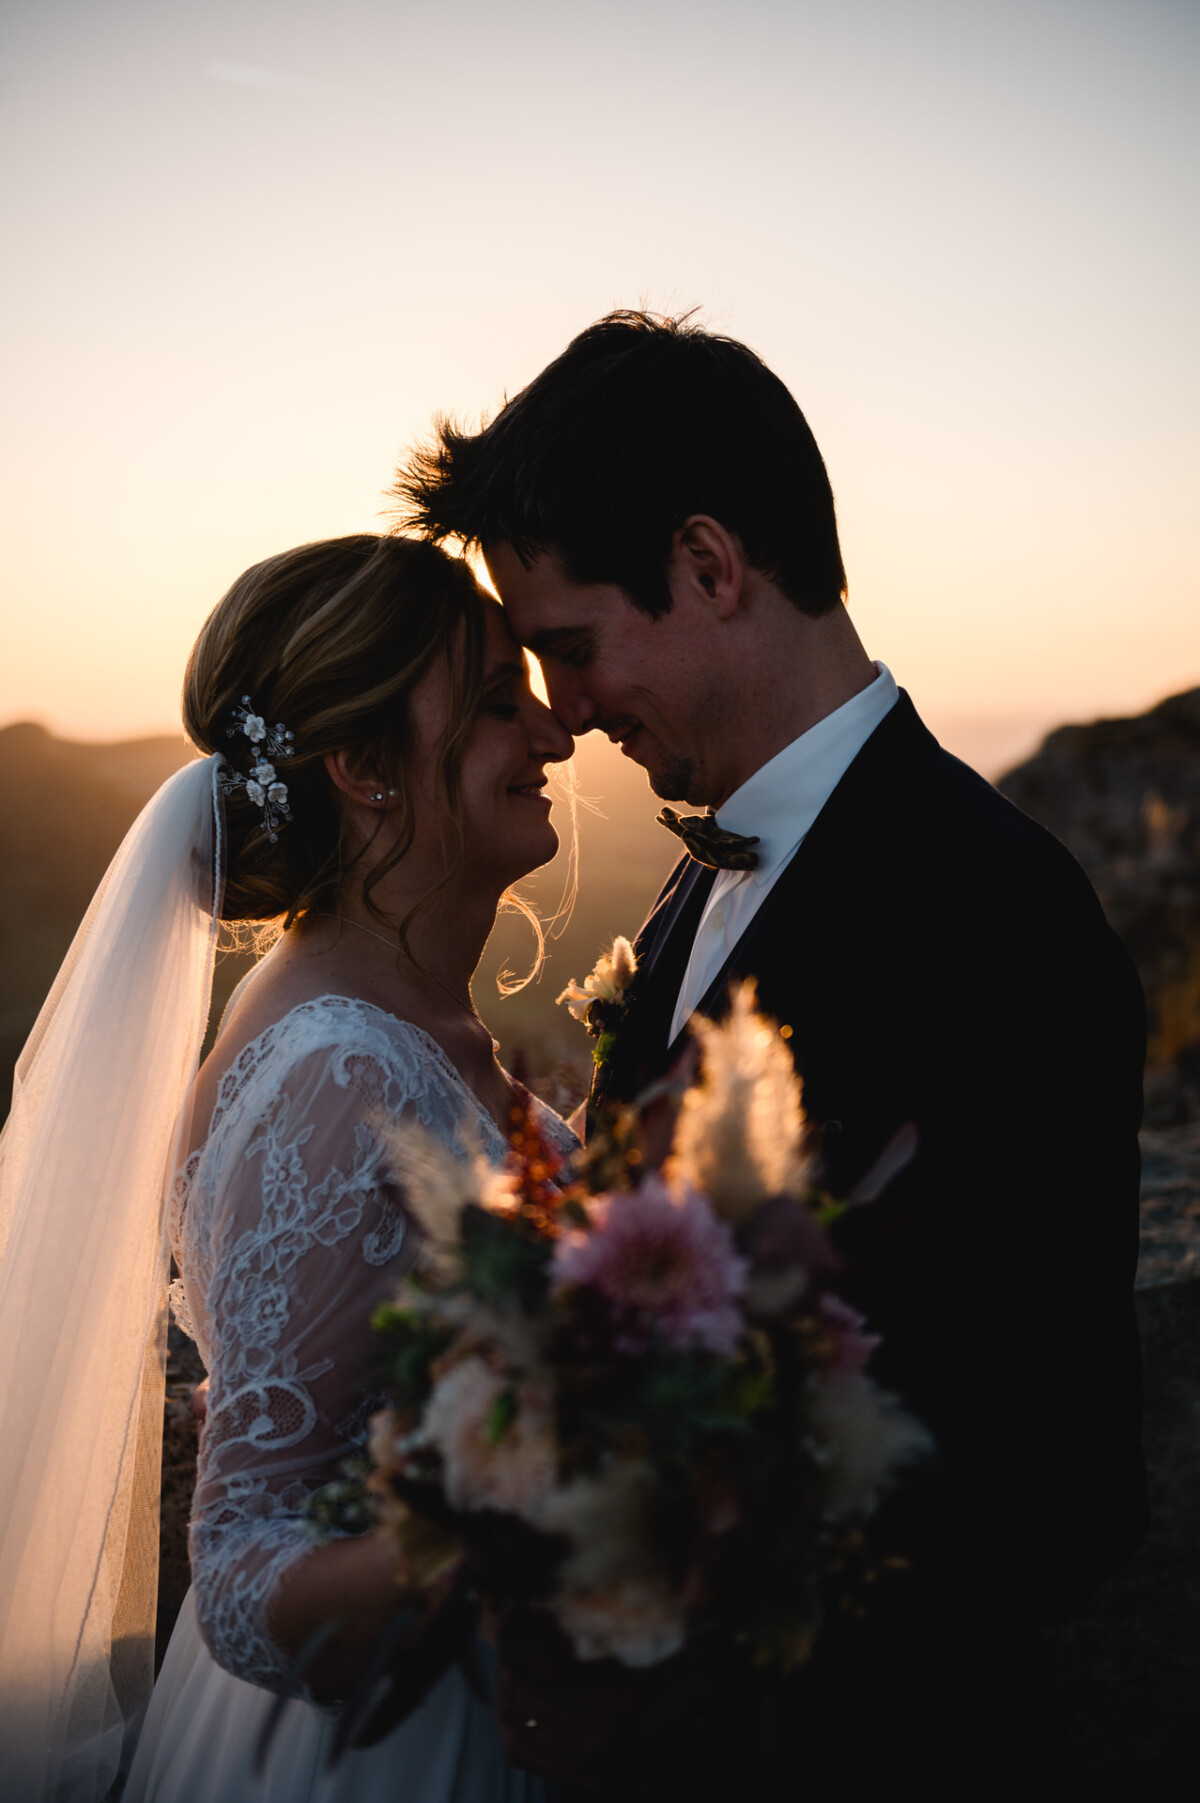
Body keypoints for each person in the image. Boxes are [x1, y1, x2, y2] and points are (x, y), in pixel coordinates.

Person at [394, 312, 1148, 1790]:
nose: (560, 711)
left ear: (710, 565)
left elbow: (1061, 1490)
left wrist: (689, 1611)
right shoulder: (696, 883)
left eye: (571, 646)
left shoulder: (998, 913)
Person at [0, 532, 574, 1802]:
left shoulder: (411, 1025)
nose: (553, 735)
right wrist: (534, 1518)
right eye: (494, 703)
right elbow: (249, 1576)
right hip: (383, 1752)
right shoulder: (331, 1071)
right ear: (366, 769)